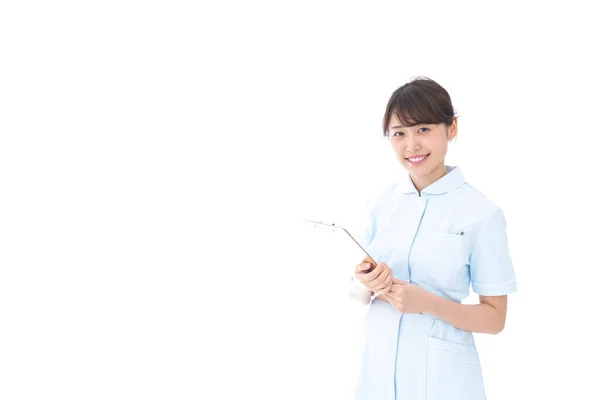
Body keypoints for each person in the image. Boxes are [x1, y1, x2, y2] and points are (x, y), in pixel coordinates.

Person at [349, 76, 517, 400]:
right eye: (399, 134)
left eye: (423, 129)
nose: (411, 145)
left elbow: (495, 318)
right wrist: (364, 283)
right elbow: (356, 295)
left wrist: (428, 303)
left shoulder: (482, 214)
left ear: (451, 128)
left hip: (444, 381)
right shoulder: (380, 203)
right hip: (377, 374)